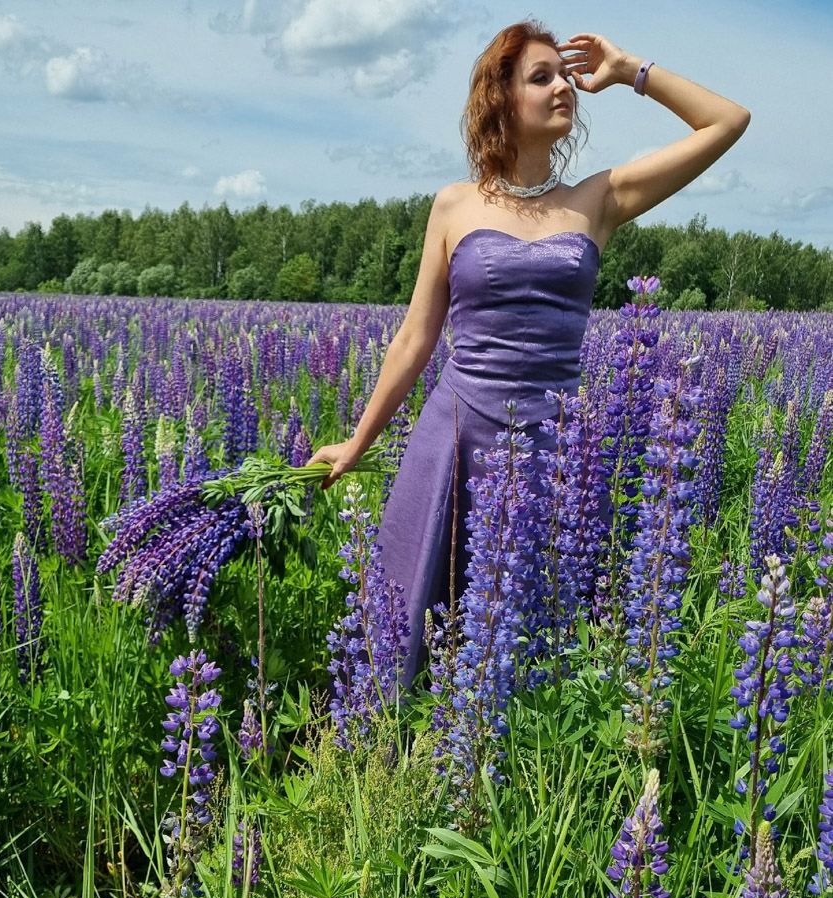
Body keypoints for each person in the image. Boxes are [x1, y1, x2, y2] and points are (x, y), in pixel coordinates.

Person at [306, 20, 750, 692]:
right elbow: (415, 338)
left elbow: (727, 121)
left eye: (565, 75)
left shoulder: (596, 201)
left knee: (529, 639)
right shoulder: (455, 206)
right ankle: (392, 766)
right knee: (410, 631)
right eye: (541, 77)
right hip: (453, 435)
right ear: (501, 100)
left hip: (554, 445)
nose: (563, 86)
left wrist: (632, 70)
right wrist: (359, 442)